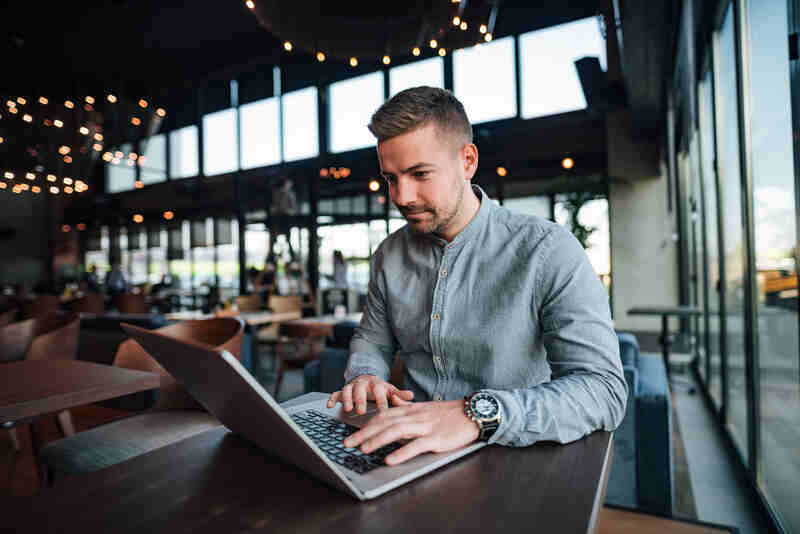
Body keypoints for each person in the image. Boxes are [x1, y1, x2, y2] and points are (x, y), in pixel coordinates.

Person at [326, 86, 627, 467]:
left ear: (467, 161)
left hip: (516, 458)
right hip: (409, 456)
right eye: (391, 178)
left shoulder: (548, 250)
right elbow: (372, 341)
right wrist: (365, 375)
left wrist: (475, 413)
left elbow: (603, 392)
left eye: (420, 174)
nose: (402, 196)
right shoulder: (389, 255)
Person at [268, 178, 297, 262]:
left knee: (287, 238)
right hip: (279, 217)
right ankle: (272, 257)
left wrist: (287, 211)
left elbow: (293, 208)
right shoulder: (277, 193)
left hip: (286, 217)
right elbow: (275, 205)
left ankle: (291, 257)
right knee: (275, 237)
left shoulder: (291, 194)